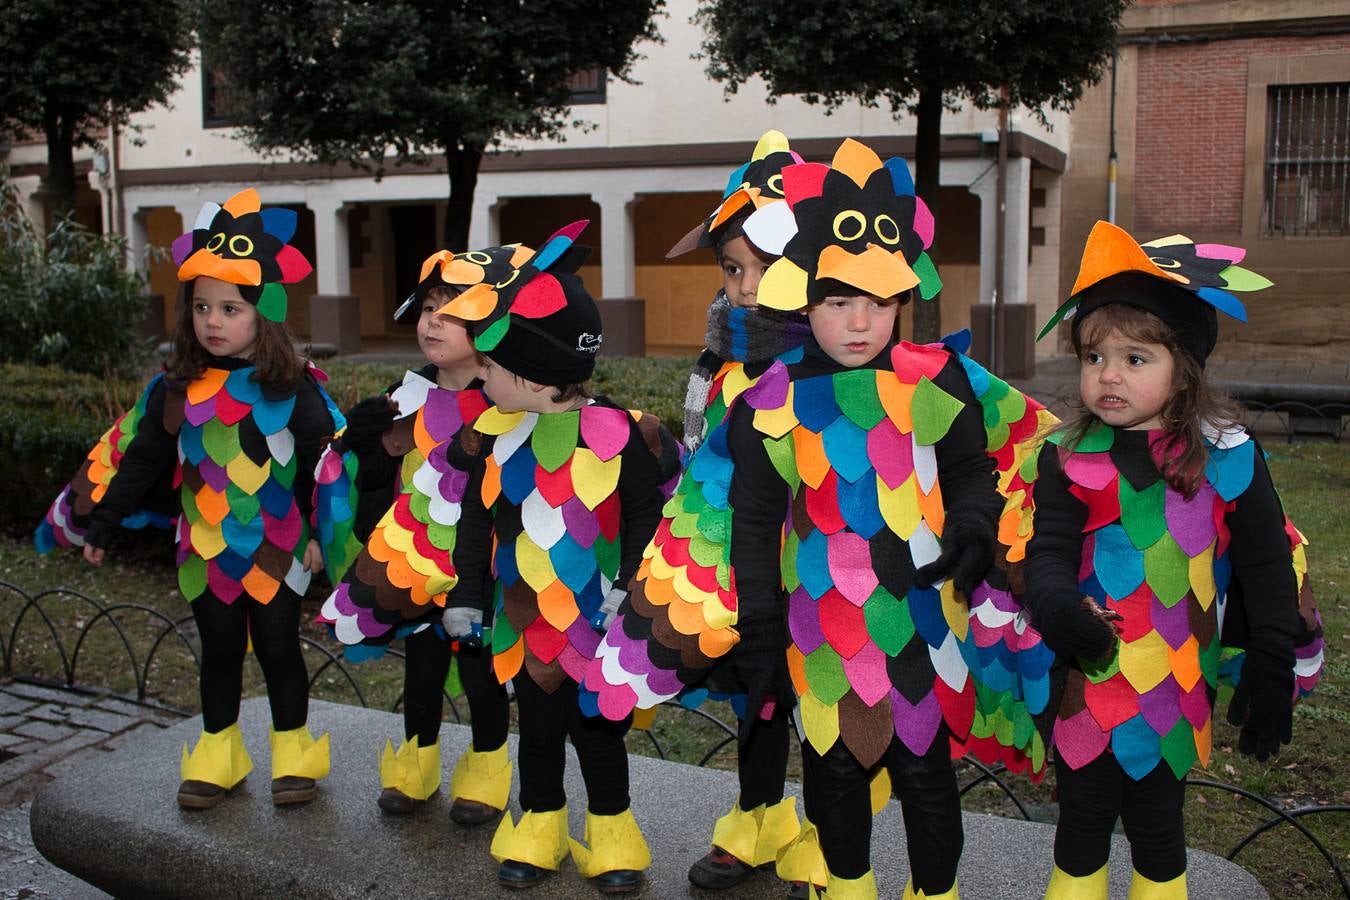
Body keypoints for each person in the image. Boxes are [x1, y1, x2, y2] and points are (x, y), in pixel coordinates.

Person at [585, 138, 1044, 900]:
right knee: (832, 771)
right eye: (838, 301)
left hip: (924, 624)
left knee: (926, 777)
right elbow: (755, 525)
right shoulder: (772, 398)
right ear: (805, 300)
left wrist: (973, 525)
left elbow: (974, 468)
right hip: (822, 631)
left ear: (905, 299)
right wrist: (762, 629)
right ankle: (847, 884)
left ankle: (936, 893)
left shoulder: (940, 380)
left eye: (880, 300)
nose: (860, 321)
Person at [324, 221, 680, 894]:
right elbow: (473, 519)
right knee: (539, 733)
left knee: (599, 738)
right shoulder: (492, 436)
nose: (477, 378)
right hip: (524, 626)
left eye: (488, 367)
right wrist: (464, 595)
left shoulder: (623, 438)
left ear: (531, 375)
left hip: (599, 630)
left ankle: (611, 839)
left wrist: (630, 590)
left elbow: (647, 516)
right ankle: (539, 828)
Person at [1023, 220, 1321, 899]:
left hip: (1176, 682)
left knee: (1159, 824)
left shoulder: (1231, 458)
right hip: (1084, 678)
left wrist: (1273, 661)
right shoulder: (1067, 457)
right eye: (1094, 357)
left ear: (1182, 371)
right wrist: (1057, 605)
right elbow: (1049, 551)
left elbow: (1266, 567)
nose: (1108, 375)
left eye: (1135, 359)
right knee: (1083, 817)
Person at [43, 188, 341, 809]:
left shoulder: (292, 389)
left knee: (281, 647)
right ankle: (218, 750)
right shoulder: (175, 388)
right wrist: (103, 524)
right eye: (203, 307)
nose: (213, 321)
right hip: (204, 547)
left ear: (264, 312)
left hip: (275, 546)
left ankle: (292, 753)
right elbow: (143, 458)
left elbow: (322, 465)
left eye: (231, 308)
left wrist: (318, 533)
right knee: (220, 649)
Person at [315, 246, 526, 823]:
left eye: (452, 309)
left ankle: (487, 765)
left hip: (483, 566)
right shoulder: (402, 395)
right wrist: (367, 444)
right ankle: (418, 757)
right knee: (423, 668)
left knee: (482, 675)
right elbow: (379, 483)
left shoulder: (510, 396)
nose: (433, 319)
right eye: (428, 306)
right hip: (416, 561)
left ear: (488, 325)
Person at [665, 129, 818, 893]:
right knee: (757, 700)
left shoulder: (828, 360)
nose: (747, 286)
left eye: (768, 268)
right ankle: (756, 818)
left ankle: (830, 839)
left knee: (821, 701)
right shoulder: (714, 362)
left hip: (823, 571)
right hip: (739, 565)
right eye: (733, 268)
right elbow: (699, 461)